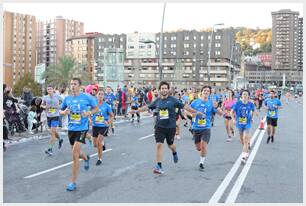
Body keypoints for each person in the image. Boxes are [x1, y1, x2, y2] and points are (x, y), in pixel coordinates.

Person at [132, 81, 198, 174]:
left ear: (168, 90)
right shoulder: (157, 100)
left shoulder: (173, 100)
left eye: (165, 88)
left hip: (170, 127)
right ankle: (159, 166)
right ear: (160, 90)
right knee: (159, 145)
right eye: (162, 88)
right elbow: (148, 107)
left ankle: (174, 152)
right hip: (159, 126)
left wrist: (195, 111)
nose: (164, 90)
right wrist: (136, 111)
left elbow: (185, 106)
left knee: (170, 145)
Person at [60, 77, 98, 191]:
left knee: (74, 154)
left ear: (80, 86)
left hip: (82, 128)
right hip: (71, 129)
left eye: (75, 84)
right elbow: (60, 111)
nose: (72, 86)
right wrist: (64, 112)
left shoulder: (87, 97)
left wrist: (89, 113)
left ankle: (73, 182)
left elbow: (96, 108)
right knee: (76, 152)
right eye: (71, 84)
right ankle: (86, 158)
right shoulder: (67, 99)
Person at [190, 86, 223, 170]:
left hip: (206, 128)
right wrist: (191, 115)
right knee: (198, 148)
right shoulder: (195, 102)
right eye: (204, 90)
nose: (206, 92)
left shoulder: (211, 103)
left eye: (208, 91)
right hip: (196, 128)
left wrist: (216, 107)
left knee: (203, 145)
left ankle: (201, 162)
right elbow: (187, 110)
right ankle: (202, 152)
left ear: (209, 93)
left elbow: (221, 113)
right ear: (201, 92)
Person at [231, 90, 255, 164]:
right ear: (241, 95)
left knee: (245, 139)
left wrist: (251, 118)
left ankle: (243, 157)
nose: (245, 95)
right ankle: (247, 149)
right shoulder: (238, 103)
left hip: (247, 124)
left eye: (246, 94)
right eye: (244, 94)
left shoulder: (251, 104)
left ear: (248, 96)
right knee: (242, 140)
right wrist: (233, 120)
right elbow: (231, 112)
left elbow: (253, 111)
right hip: (239, 124)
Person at [91, 90, 114, 165]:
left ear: (104, 96)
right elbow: (89, 113)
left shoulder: (106, 106)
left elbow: (112, 116)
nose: (100, 95)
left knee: (98, 142)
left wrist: (108, 122)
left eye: (102, 94)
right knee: (95, 144)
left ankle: (99, 159)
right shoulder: (93, 105)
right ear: (97, 95)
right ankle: (103, 144)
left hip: (103, 126)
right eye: (99, 94)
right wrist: (89, 120)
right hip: (95, 126)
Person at [41, 85, 64, 156]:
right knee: (52, 132)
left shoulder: (57, 96)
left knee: (53, 133)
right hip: (49, 116)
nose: (49, 90)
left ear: (53, 89)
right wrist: (45, 107)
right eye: (48, 89)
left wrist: (59, 106)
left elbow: (64, 102)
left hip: (55, 116)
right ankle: (60, 139)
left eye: (50, 89)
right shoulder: (45, 97)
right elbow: (41, 105)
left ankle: (50, 149)